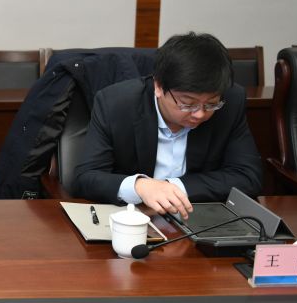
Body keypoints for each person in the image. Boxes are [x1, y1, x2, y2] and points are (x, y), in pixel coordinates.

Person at [74, 32, 262, 217]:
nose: (200, 114)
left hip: (197, 217)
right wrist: (140, 186)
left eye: (211, 104)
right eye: (187, 104)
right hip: (131, 218)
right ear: (158, 86)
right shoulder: (115, 104)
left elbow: (248, 177)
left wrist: (171, 188)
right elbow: (86, 177)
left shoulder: (231, 101)